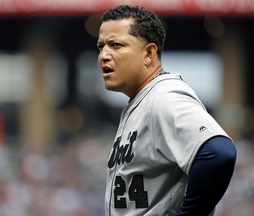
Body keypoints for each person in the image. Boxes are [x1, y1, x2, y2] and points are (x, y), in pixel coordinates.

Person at [97, 5, 237, 216]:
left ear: (149, 53)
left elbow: (219, 153)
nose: (104, 55)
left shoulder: (163, 96)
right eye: (101, 46)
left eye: (116, 45)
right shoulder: (142, 101)